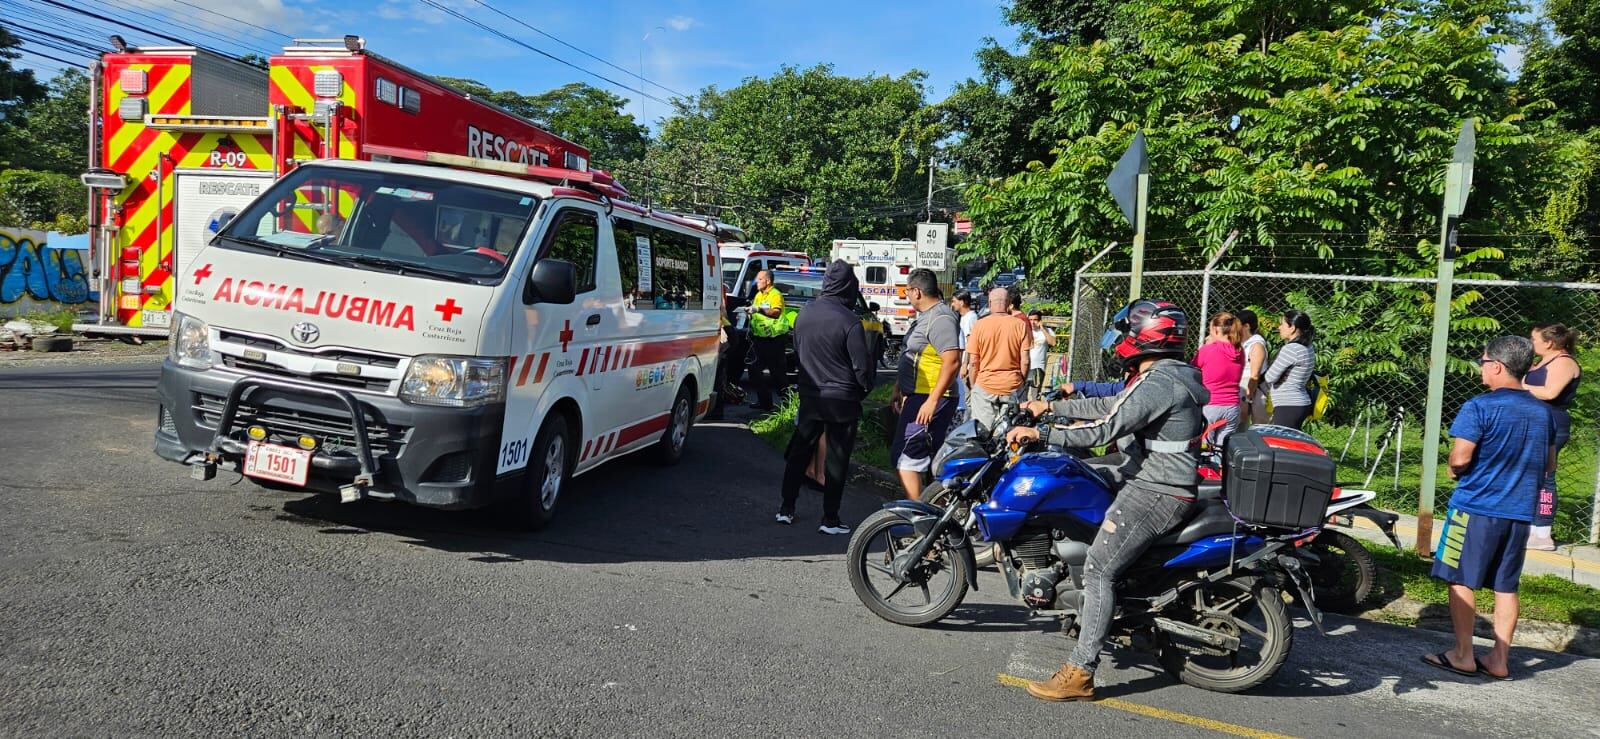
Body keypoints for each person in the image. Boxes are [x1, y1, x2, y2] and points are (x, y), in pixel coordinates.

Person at [1006, 299, 1208, 702]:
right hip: (1142, 474)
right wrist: (1049, 406)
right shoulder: (1159, 376)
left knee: (1100, 569)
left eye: (1129, 330)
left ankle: (1081, 671)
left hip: (1157, 489)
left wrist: (1044, 435)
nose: (1121, 338)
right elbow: (1111, 405)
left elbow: (1105, 428)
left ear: (1146, 337)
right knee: (1078, 480)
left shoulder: (1161, 382)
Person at [1421, 336, 1553, 682]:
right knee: (1505, 587)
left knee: (1460, 578)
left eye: (1483, 361)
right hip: (1519, 512)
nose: (1480, 367)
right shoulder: (1543, 412)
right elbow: (1548, 463)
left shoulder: (1479, 406)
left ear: (1497, 366)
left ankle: (1463, 654)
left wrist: (1454, 468)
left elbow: (1461, 457)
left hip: (1475, 507)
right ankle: (1499, 658)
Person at [778, 261, 876, 535]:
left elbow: (798, 353)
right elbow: (862, 367)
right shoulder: (849, 321)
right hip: (842, 400)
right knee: (836, 459)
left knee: (799, 451)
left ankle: (786, 508)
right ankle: (830, 519)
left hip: (811, 395)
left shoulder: (803, 315)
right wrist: (863, 390)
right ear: (848, 286)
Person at [889, 269, 963, 500]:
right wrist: (899, 388)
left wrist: (932, 401)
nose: (906, 295)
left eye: (907, 290)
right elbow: (915, 356)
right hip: (918, 395)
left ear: (917, 291)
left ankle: (921, 520)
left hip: (931, 397)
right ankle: (932, 513)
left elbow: (952, 362)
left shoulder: (940, 319)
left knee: (906, 458)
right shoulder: (928, 317)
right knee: (913, 456)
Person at [1523, 323, 1581, 551]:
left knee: (1546, 475)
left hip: (1551, 425)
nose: (1532, 343)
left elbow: (1550, 392)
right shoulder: (1545, 361)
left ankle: (1542, 533)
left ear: (1548, 343)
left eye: (1534, 339)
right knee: (1530, 474)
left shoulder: (1564, 362)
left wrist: (1517, 386)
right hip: (1536, 421)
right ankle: (1529, 526)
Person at [965, 287, 1031, 431]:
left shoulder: (979, 325)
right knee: (1012, 432)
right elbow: (1025, 360)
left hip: (985, 385)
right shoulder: (1020, 325)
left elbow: (974, 362)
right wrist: (1021, 380)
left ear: (989, 303)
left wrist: (974, 385)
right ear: (1008, 303)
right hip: (1012, 385)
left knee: (984, 432)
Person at [1193, 312, 1245, 448]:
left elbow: (1192, 371)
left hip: (1210, 406)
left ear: (1216, 329)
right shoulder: (1240, 351)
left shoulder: (1207, 350)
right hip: (1232, 407)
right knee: (1221, 450)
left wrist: (1208, 345)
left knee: (1204, 449)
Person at [1263, 309, 1316, 429]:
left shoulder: (1291, 349)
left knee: (1283, 444)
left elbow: (1269, 377)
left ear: (1292, 328)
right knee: (1292, 443)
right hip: (1298, 402)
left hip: (1288, 404)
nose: (1279, 327)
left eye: (1282, 324)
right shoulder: (1307, 346)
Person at [747, 270, 789, 411]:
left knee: (778, 374)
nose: (756, 282)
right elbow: (757, 312)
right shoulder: (759, 295)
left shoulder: (775, 294)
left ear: (768, 281)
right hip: (760, 339)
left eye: (759, 279)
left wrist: (758, 309)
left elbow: (776, 312)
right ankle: (765, 403)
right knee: (754, 370)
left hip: (775, 340)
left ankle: (788, 404)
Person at [1237, 309, 1270, 425]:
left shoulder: (1256, 345)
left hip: (1253, 392)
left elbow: (1254, 375)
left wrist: (1247, 399)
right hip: (1242, 389)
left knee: (1260, 429)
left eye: (1237, 325)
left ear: (1246, 326)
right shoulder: (1243, 343)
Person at [951, 291, 979, 421]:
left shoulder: (970, 318)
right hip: (964, 363)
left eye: (954, 301)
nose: (952, 304)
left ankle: (968, 424)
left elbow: (970, 344)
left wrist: (964, 365)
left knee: (968, 398)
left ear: (962, 302)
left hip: (967, 365)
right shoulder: (964, 317)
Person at [1026, 310, 1057, 401]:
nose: (1032, 322)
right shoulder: (1026, 330)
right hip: (1026, 365)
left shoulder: (1047, 331)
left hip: (1038, 367)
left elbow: (1053, 343)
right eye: (1030, 320)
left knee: (1035, 395)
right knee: (1022, 392)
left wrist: (1043, 329)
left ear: (1040, 320)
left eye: (1035, 320)